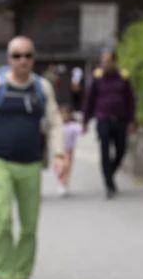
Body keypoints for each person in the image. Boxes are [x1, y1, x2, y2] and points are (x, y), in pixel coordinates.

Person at [0, 36, 67, 279]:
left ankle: (22, 276)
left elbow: (55, 121)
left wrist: (58, 154)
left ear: (33, 58)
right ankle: (4, 278)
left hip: (31, 163)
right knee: (2, 219)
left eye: (28, 55)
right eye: (17, 55)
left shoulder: (41, 87)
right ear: (8, 58)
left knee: (29, 224)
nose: (23, 60)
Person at [81, 49, 136, 199]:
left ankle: (109, 174)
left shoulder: (123, 77)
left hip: (120, 120)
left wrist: (132, 120)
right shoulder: (97, 78)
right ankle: (108, 184)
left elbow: (130, 100)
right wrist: (85, 120)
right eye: (102, 61)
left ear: (114, 62)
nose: (104, 64)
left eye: (107, 61)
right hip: (103, 119)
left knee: (121, 151)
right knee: (104, 152)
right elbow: (89, 100)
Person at [56, 106, 80, 197]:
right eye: (61, 114)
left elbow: (80, 130)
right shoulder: (57, 126)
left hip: (69, 151)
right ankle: (61, 182)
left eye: (65, 114)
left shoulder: (72, 126)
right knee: (60, 167)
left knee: (67, 167)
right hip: (59, 150)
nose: (63, 116)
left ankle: (64, 183)